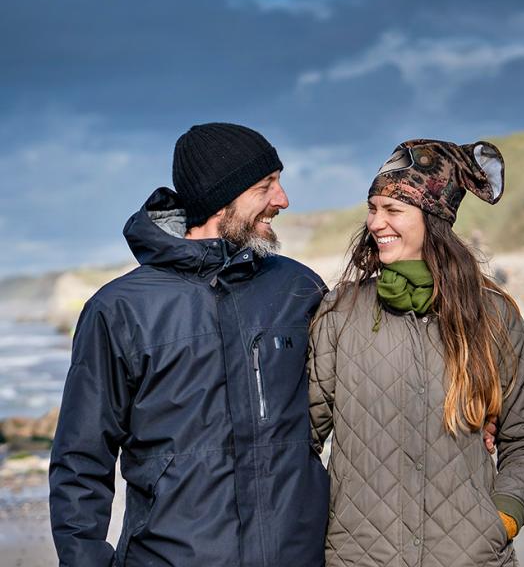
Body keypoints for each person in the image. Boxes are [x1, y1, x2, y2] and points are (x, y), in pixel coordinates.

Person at [49, 123, 330, 567]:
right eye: (265, 186)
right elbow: (81, 460)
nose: (283, 200)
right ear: (222, 198)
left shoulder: (299, 287)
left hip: (296, 555)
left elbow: (361, 384)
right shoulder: (119, 309)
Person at [308, 139, 524, 567]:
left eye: (393, 210)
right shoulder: (340, 313)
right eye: (372, 208)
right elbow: (301, 440)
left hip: (472, 558)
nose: (375, 223)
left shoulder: (493, 316)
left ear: (434, 218)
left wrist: (499, 522)